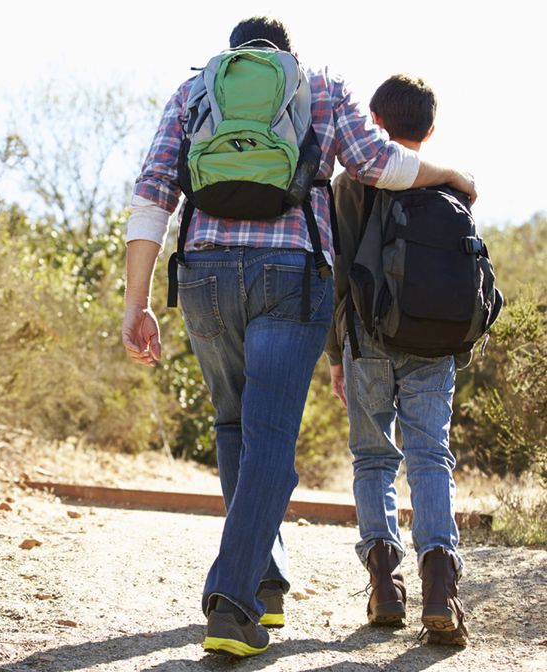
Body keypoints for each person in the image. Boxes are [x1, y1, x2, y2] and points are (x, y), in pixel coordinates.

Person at [122, 17, 477, 657]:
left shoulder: (195, 90)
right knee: (270, 442)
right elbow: (375, 164)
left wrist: (136, 302)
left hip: (202, 275)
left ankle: (264, 583)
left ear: (236, 57)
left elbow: (152, 194)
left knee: (233, 427)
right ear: (284, 56)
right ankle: (232, 603)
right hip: (290, 275)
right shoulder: (316, 84)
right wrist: (451, 175)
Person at [325, 74, 469, 646]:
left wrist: (336, 354)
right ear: (430, 129)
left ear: (375, 126)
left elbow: (337, 270)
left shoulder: (352, 183)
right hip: (435, 345)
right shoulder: (452, 186)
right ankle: (441, 586)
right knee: (431, 456)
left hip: (368, 340)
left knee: (372, 459)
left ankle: (385, 585)